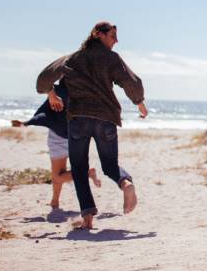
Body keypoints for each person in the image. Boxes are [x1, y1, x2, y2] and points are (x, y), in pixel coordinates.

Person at [36, 22, 148, 229]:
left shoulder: (72, 58)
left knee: (79, 169)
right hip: (106, 118)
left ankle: (87, 217)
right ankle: (126, 183)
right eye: (112, 36)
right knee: (110, 165)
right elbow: (132, 82)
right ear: (97, 34)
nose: (116, 41)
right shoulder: (112, 58)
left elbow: (43, 79)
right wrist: (140, 103)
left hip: (78, 119)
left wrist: (52, 94)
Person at [11, 83, 101, 209]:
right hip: (77, 136)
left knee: (57, 175)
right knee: (58, 174)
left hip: (58, 138)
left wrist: (27, 123)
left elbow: (44, 114)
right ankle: (55, 201)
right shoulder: (82, 90)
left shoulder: (57, 91)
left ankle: (86, 174)